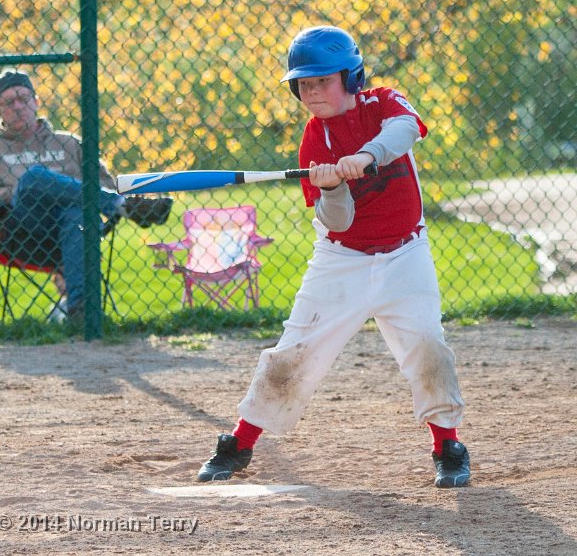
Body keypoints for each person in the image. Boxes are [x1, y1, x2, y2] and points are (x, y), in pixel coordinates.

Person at [195, 25, 471, 488]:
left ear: (351, 77)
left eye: (323, 80)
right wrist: (332, 187)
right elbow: (338, 222)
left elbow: (406, 130)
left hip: (406, 254)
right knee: (294, 353)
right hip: (342, 260)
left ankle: (448, 447)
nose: (312, 91)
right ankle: (239, 444)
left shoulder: (383, 103)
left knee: (428, 346)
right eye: (304, 84)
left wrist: (366, 155)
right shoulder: (314, 142)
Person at [0, 69, 172, 318]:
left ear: (36, 102)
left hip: (76, 228)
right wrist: (15, 191)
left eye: (24, 99)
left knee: (75, 214)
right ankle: (122, 205)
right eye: (9, 102)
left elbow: (104, 181)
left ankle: (81, 310)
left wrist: (66, 191)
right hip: (24, 232)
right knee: (33, 178)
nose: (18, 107)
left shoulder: (69, 143)